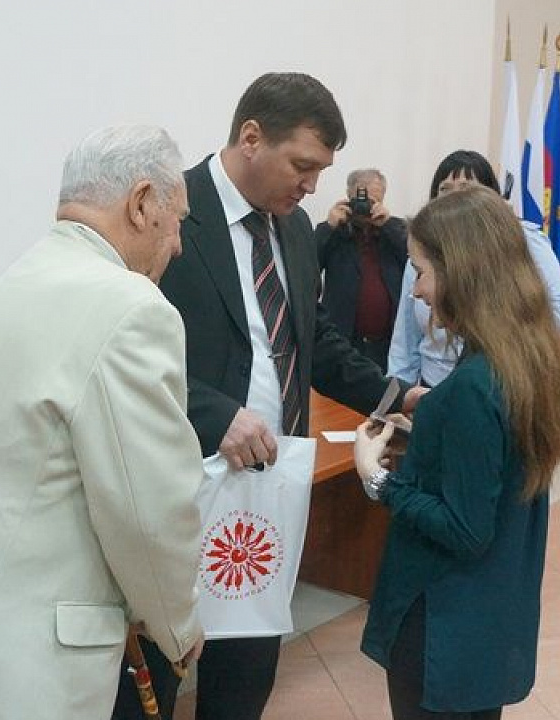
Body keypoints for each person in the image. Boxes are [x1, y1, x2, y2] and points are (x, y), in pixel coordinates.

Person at [115, 72, 421, 720]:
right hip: (176, 488)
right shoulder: (168, 210)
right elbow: (119, 351)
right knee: (154, 680)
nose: (311, 185)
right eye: (302, 166)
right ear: (252, 138)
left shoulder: (296, 228)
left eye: (320, 172)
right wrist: (214, 414)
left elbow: (315, 339)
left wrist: (397, 396)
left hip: (265, 495)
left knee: (246, 677)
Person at [0, 125, 205, 720]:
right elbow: (149, 510)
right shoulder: (132, 307)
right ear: (141, 203)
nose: (179, 245)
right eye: (178, 221)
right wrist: (177, 623)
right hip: (27, 662)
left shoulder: (18, 277)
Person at [353, 185, 560, 720]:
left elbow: (464, 527)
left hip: (442, 625)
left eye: (421, 272)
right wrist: (432, 433)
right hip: (490, 617)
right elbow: (495, 468)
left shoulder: (474, 386)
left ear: (461, 272)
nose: (417, 291)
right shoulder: (530, 359)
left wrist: (377, 479)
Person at [387, 150, 560, 388]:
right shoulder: (422, 252)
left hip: (498, 378)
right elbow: (405, 339)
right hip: (433, 383)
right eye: (445, 189)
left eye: (466, 189)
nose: (454, 198)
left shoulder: (521, 238)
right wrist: (399, 394)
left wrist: (503, 343)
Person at [313, 168, 409, 371]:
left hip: (388, 344)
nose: (365, 207)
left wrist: (388, 225)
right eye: (360, 200)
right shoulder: (335, 231)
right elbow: (307, 266)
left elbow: (412, 261)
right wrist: (329, 227)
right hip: (344, 341)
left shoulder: (395, 230)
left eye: (373, 201)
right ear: (348, 197)